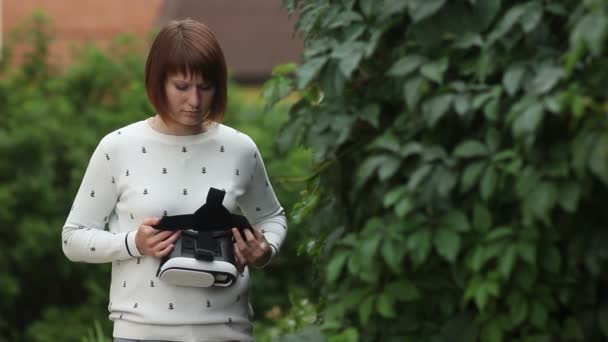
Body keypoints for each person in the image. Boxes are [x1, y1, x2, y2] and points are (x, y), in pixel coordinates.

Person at [61, 19, 287, 342]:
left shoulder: (240, 148)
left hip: (228, 331)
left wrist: (265, 250)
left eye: (205, 86)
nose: (195, 100)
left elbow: (272, 217)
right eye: (182, 86)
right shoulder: (117, 147)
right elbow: (72, 239)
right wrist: (132, 244)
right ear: (158, 82)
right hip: (140, 332)